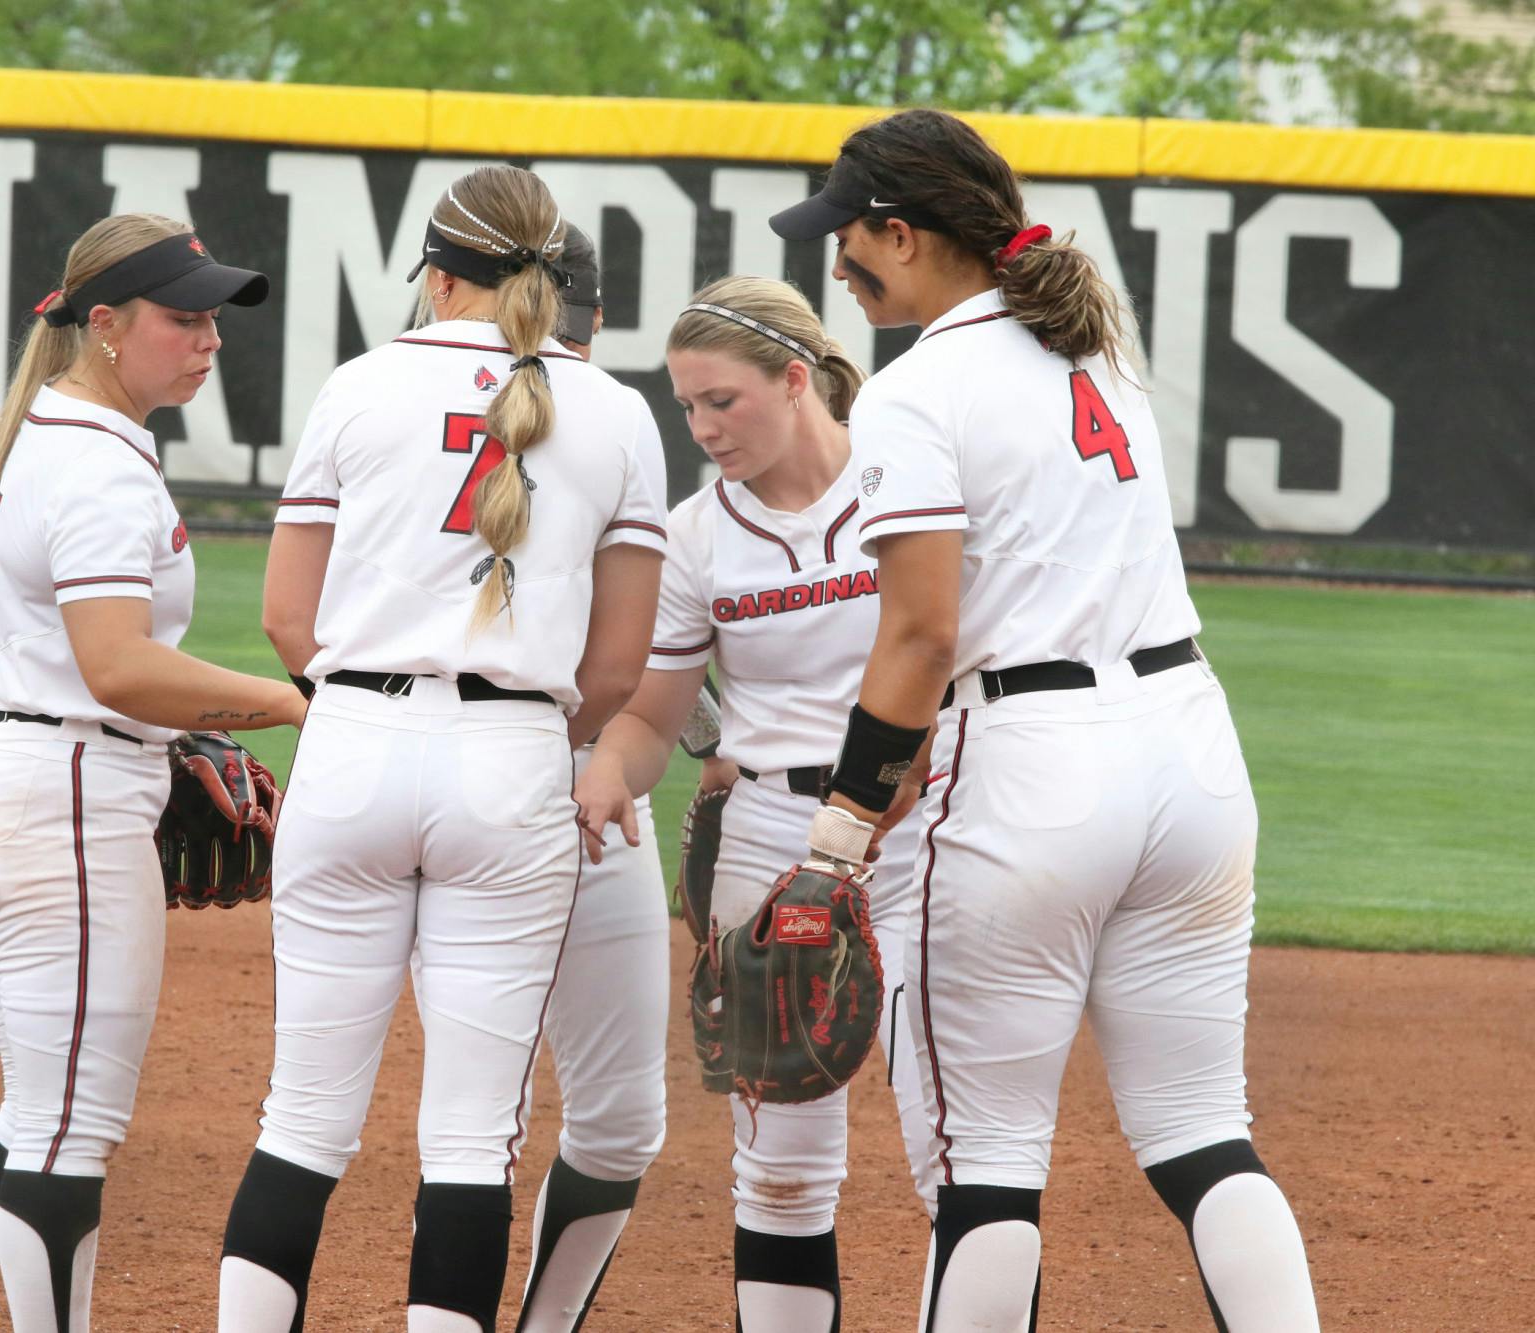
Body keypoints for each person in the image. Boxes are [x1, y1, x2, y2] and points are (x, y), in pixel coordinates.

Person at [772, 108, 1322, 1331]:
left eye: (848, 238)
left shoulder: (916, 391)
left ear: (900, 235)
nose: (838, 263)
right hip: (1187, 758)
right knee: (1199, 1132)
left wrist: (837, 836)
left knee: (985, 1174)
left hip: (1025, 776)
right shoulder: (1093, 351)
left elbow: (920, 635)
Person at [217, 166, 669, 1333]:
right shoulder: (617, 413)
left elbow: (285, 618)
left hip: (353, 739)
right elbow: (618, 669)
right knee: (470, 1139)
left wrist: (372, 710)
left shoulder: (359, 384)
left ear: (436, 272)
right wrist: (521, 738)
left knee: (301, 1122)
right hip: (514, 757)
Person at [0, 213, 305, 1333]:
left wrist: (188, 724)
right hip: (59, 796)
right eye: (183, 317)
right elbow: (118, 669)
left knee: (38, 1112)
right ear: (104, 325)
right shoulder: (98, 462)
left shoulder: (44, 431)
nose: (208, 339)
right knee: (69, 1128)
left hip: (7, 780)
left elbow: (100, 668)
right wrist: (301, 701)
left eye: (213, 318)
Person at [573, 275, 937, 1333]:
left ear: (794, 377)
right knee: (780, 1166)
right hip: (774, 838)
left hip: (924, 826)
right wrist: (606, 771)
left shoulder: (902, 479)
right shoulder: (695, 536)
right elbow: (652, 715)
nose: (700, 427)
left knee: (956, 1139)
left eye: (720, 400)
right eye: (685, 406)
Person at [502, 222, 669, 1333]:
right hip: (501, 788)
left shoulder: (614, 435)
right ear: (596, 320)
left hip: (599, 787)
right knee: (484, 1122)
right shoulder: (422, 414)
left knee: (613, 1126)